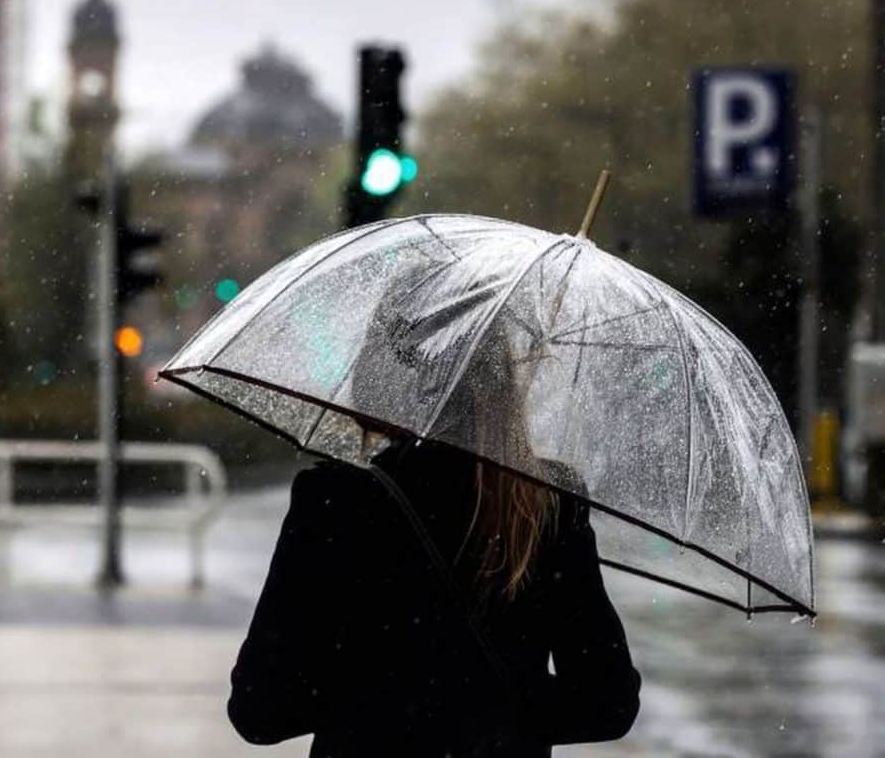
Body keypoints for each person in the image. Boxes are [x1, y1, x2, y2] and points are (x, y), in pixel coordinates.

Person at [228, 272, 641, 756]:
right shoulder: (546, 501)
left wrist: (379, 698)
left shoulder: (336, 501)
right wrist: (489, 702)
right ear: (497, 373)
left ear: (381, 371)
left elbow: (260, 709)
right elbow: (606, 702)